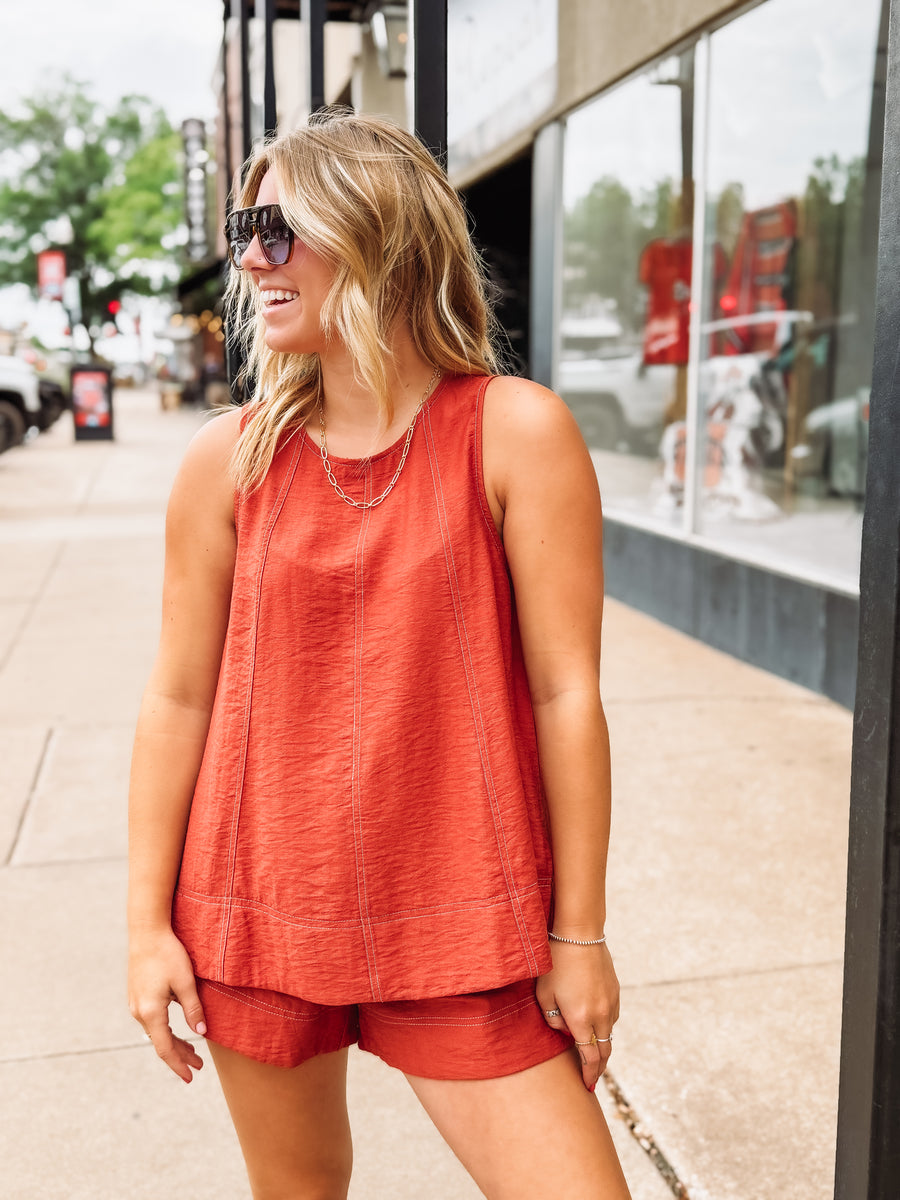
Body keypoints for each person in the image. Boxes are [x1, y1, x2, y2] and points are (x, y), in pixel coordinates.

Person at [127, 108, 631, 1200]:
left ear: (374, 233)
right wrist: (145, 925)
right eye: (242, 228)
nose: (251, 257)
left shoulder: (514, 431)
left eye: (279, 227)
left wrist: (579, 934)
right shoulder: (229, 457)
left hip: (465, 915)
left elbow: (566, 694)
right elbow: (177, 700)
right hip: (257, 907)